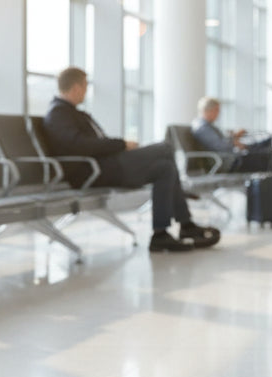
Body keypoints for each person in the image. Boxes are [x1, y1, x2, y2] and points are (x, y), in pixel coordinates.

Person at [43, 67, 220, 252]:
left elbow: (92, 143)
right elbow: (81, 145)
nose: (87, 91)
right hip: (93, 171)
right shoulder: (58, 114)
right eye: (85, 86)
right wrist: (122, 145)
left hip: (106, 165)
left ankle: (162, 234)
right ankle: (184, 217)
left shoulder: (71, 113)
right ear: (76, 87)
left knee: (165, 168)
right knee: (166, 148)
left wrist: (117, 146)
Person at [191, 97, 272, 211]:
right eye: (217, 110)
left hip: (229, 160)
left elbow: (220, 144)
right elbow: (221, 146)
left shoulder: (206, 126)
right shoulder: (202, 128)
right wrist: (234, 141)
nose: (218, 114)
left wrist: (234, 138)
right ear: (208, 110)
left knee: (270, 153)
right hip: (227, 164)